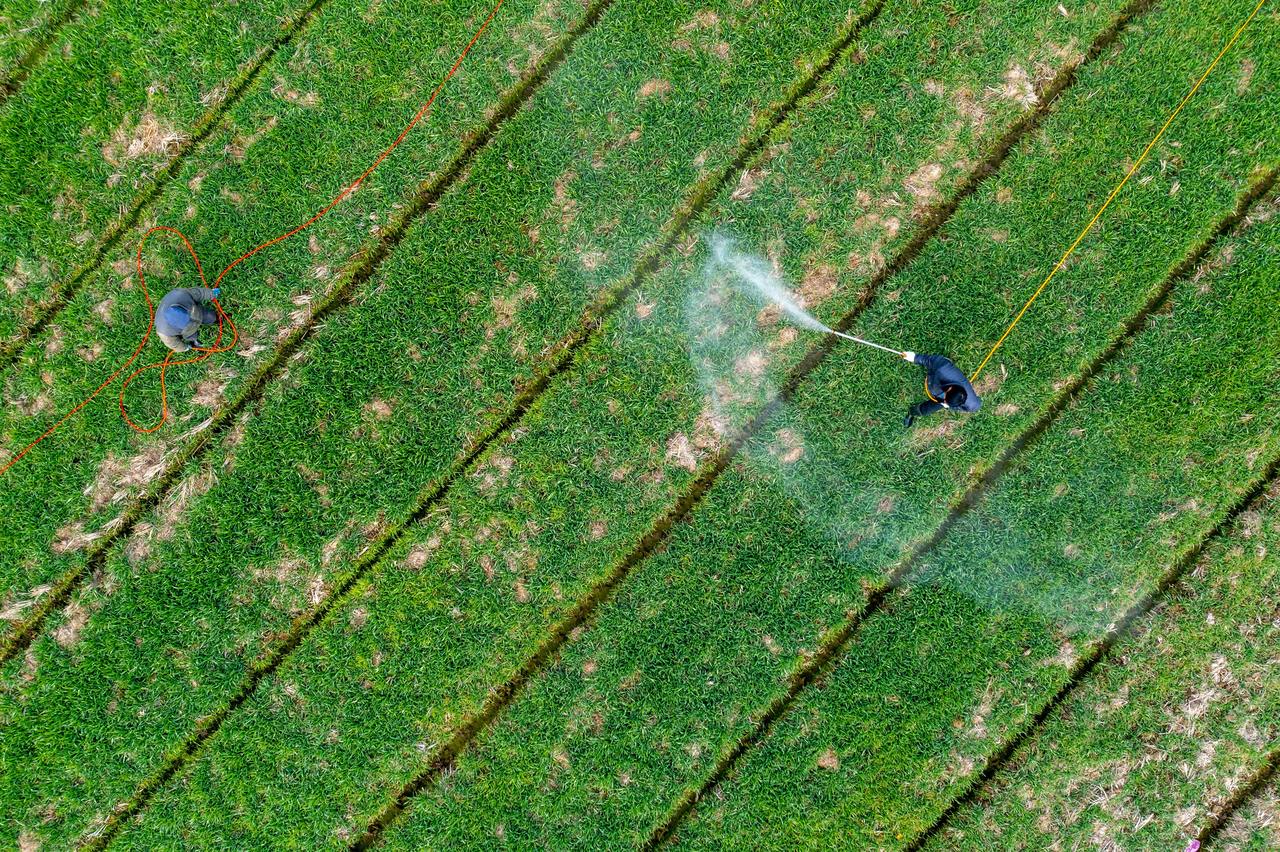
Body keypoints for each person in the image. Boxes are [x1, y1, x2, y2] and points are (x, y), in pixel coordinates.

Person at [902, 351, 981, 427]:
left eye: (947, 402)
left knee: (926, 410)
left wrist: (949, 405)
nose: (944, 401)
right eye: (946, 400)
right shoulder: (943, 369)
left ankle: (912, 412)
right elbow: (930, 360)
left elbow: (973, 405)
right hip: (939, 373)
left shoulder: (973, 405)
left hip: (943, 393)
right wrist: (915, 357)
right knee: (936, 366)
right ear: (949, 389)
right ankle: (946, 362)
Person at [154, 287, 222, 353]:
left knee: (210, 316)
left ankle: (215, 318)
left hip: (196, 311)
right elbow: (173, 344)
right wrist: (185, 348)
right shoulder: (164, 332)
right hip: (186, 330)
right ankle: (194, 340)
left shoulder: (182, 295)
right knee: (191, 334)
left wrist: (211, 293)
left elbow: (199, 293)